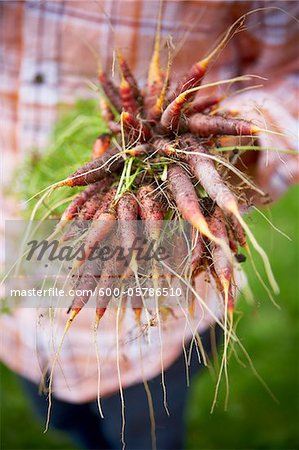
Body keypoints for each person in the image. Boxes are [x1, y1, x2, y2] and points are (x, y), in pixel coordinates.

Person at [1, 1, 298, 449]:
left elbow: (290, 73)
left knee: (146, 428)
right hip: (21, 269)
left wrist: (243, 139)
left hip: (162, 313)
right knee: (58, 415)